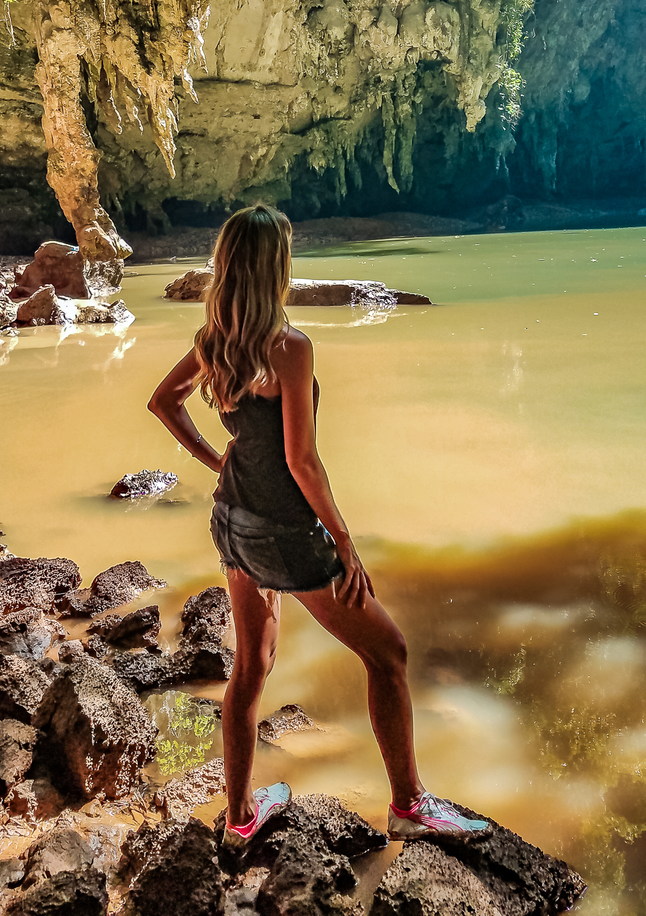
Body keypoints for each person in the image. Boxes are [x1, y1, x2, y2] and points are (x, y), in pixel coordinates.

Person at [148, 204, 491, 848]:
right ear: (275, 268)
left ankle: (240, 816)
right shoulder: (289, 346)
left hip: (231, 520)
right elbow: (302, 461)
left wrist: (215, 460)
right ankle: (410, 807)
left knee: (251, 666)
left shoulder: (214, 339)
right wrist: (344, 540)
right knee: (388, 655)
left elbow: (163, 402)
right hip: (283, 531)